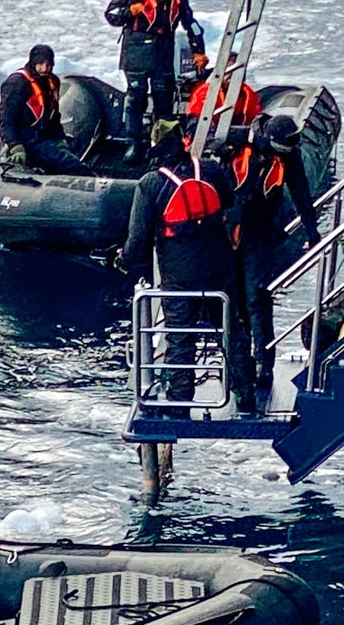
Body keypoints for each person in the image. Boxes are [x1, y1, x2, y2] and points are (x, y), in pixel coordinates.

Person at [117, 119, 250, 411]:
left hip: (179, 274)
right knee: (231, 329)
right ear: (182, 142)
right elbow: (232, 205)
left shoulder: (151, 183)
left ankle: (180, 402)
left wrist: (122, 260)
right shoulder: (211, 170)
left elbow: (137, 239)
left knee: (179, 336)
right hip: (219, 265)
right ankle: (246, 395)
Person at [227, 113, 322, 391]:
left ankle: (263, 362)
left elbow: (301, 190)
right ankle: (238, 361)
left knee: (258, 296)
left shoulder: (288, 158)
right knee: (236, 301)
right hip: (232, 232)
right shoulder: (239, 142)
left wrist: (312, 229)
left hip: (260, 234)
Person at [104, 0, 208, 162]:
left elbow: (190, 21)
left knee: (164, 100)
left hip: (163, 52)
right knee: (136, 99)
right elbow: (111, 14)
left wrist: (198, 50)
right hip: (137, 54)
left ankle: (162, 145)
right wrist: (130, 11)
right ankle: (135, 144)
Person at [0, 44, 94, 177]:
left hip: (45, 136)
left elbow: (53, 116)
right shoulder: (16, 84)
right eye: (40, 64)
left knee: (71, 151)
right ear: (33, 63)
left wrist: (60, 139)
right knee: (71, 165)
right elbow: (6, 119)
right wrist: (15, 145)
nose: (44, 69)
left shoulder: (52, 82)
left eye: (48, 65)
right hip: (27, 139)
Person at [185, 52, 261, 128]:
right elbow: (194, 124)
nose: (232, 76)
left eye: (236, 72)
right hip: (210, 136)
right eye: (229, 71)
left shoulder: (247, 94)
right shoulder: (205, 92)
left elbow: (255, 117)